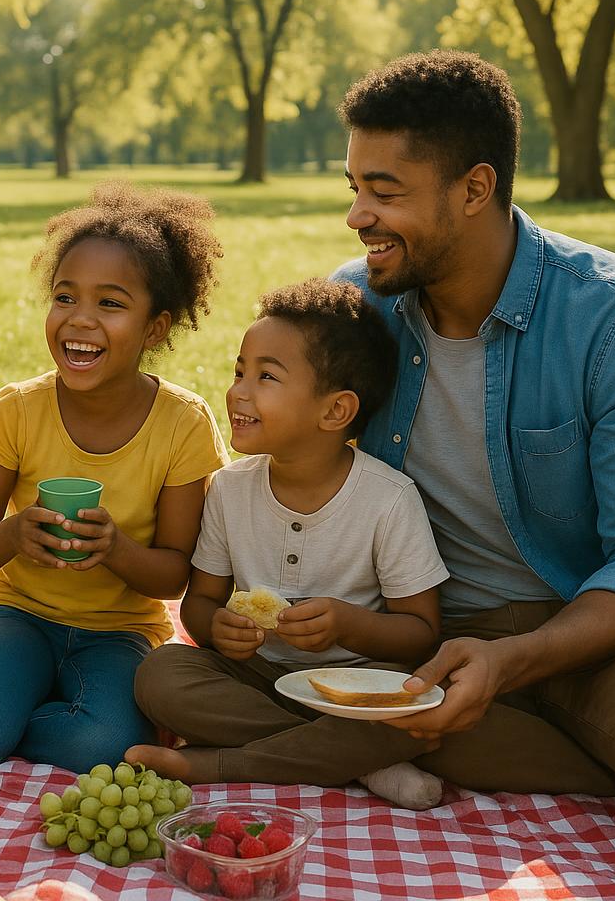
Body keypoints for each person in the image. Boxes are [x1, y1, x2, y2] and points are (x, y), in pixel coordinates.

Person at [330, 49, 615, 796]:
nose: (357, 216)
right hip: (412, 638)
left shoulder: (612, 320)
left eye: (384, 191)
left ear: (475, 188)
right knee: (194, 685)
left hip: (582, 636)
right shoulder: (350, 311)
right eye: (354, 188)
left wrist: (513, 660)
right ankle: (554, 758)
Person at [0, 183, 229, 771]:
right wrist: (11, 537)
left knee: (101, 747)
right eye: (65, 297)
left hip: (121, 631)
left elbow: (173, 575)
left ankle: (2, 702)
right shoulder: (16, 411)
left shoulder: (182, 424)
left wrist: (114, 549)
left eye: (111, 304)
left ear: (155, 329)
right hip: (17, 613)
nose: (79, 320)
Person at [126, 279, 453, 809]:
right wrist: (218, 628)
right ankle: (362, 759)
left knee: (413, 704)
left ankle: (215, 764)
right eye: (239, 372)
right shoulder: (231, 488)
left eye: (266, 377)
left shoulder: (388, 500)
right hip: (257, 677)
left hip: (355, 685)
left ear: (334, 411)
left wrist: (347, 624)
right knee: (160, 675)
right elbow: (200, 604)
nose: (238, 391)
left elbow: (420, 633)